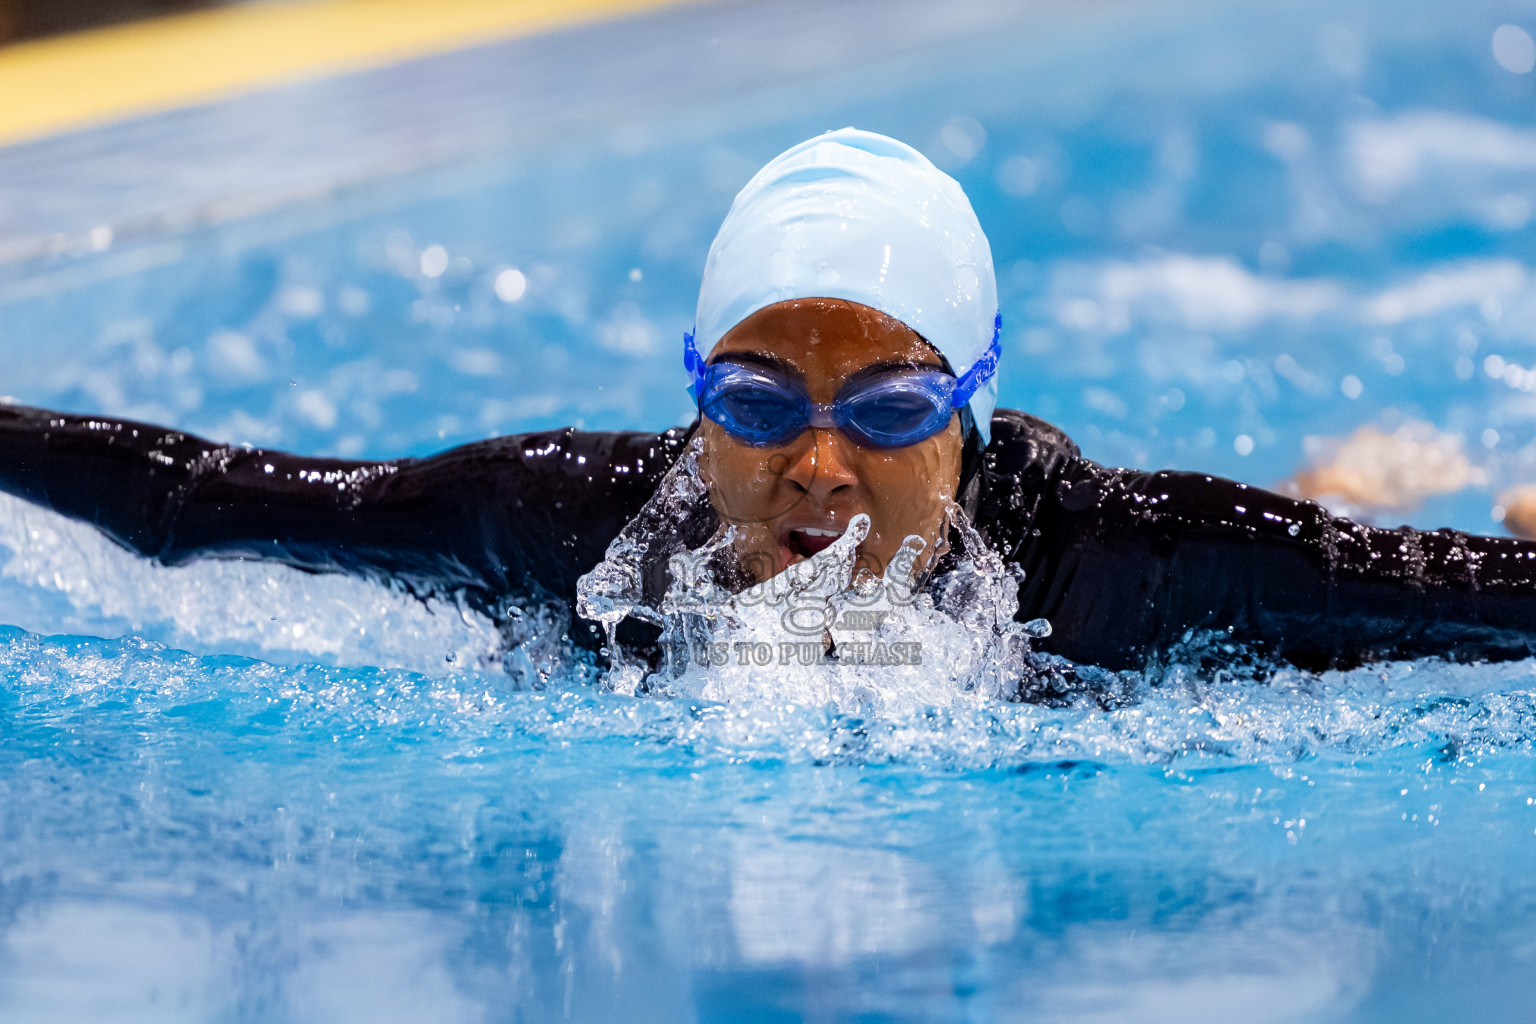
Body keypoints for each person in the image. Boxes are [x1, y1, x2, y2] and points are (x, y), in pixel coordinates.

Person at [1, 129, 1534, 683]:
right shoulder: (575, 523)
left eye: (885, 412)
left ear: (974, 407)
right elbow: (200, 501)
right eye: (752, 401)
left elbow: (1460, 608)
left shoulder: (1113, 561)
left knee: (1347, 555)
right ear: (692, 396)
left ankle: (1360, 468)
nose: (816, 468)